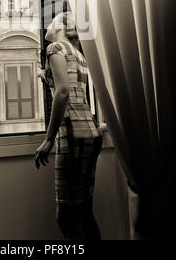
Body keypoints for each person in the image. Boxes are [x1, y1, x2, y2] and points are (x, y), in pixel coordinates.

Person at [35, 12, 103, 240]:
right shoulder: (78, 54)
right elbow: (71, 88)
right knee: (84, 210)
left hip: (72, 134)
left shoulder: (55, 49)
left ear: (60, 25)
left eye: (51, 21)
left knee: (65, 216)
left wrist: (49, 139)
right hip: (90, 133)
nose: (48, 25)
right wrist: (47, 77)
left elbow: (63, 93)